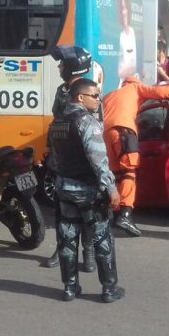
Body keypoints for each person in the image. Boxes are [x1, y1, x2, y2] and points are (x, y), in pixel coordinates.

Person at [49, 79, 124, 303]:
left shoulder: (57, 122)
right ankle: (109, 289)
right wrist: (111, 188)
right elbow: (98, 160)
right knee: (101, 238)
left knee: (67, 239)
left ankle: (70, 288)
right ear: (80, 97)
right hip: (89, 191)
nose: (98, 100)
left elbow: (54, 159)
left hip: (64, 189)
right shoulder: (87, 122)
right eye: (94, 96)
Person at [103, 76, 169, 236]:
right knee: (129, 172)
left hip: (106, 133)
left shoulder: (110, 95)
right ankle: (125, 215)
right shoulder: (135, 88)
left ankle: (114, 213)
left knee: (115, 174)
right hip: (124, 130)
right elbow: (157, 92)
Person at [45, 45, 96, 271]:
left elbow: (95, 127)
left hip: (82, 160)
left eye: (62, 64)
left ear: (73, 67)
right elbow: (57, 117)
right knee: (62, 210)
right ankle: (62, 247)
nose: (59, 67)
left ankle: (89, 253)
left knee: (87, 211)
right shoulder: (61, 90)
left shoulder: (89, 90)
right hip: (61, 160)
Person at [116, 0, 137, 81]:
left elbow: (134, 63)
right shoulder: (118, 35)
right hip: (120, 84)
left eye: (125, 8)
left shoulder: (132, 32)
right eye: (121, 9)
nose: (124, 12)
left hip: (131, 82)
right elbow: (118, 71)